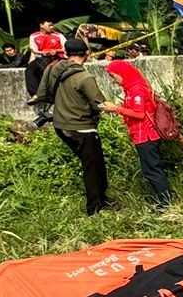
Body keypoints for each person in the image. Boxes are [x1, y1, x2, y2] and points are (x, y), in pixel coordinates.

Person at [38, 37, 112, 216]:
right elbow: (98, 104)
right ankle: (95, 208)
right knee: (92, 167)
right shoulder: (85, 77)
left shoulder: (52, 69)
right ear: (87, 53)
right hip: (82, 127)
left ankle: (102, 198)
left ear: (66, 53)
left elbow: (42, 94)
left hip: (60, 125)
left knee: (93, 163)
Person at [99, 59, 171, 209]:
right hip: (141, 135)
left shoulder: (136, 90)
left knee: (152, 171)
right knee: (150, 171)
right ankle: (161, 202)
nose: (113, 80)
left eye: (114, 76)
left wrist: (115, 109)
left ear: (123, 73)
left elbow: (139, 114)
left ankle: (165, 204)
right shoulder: (131, 89)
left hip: (146, 136)